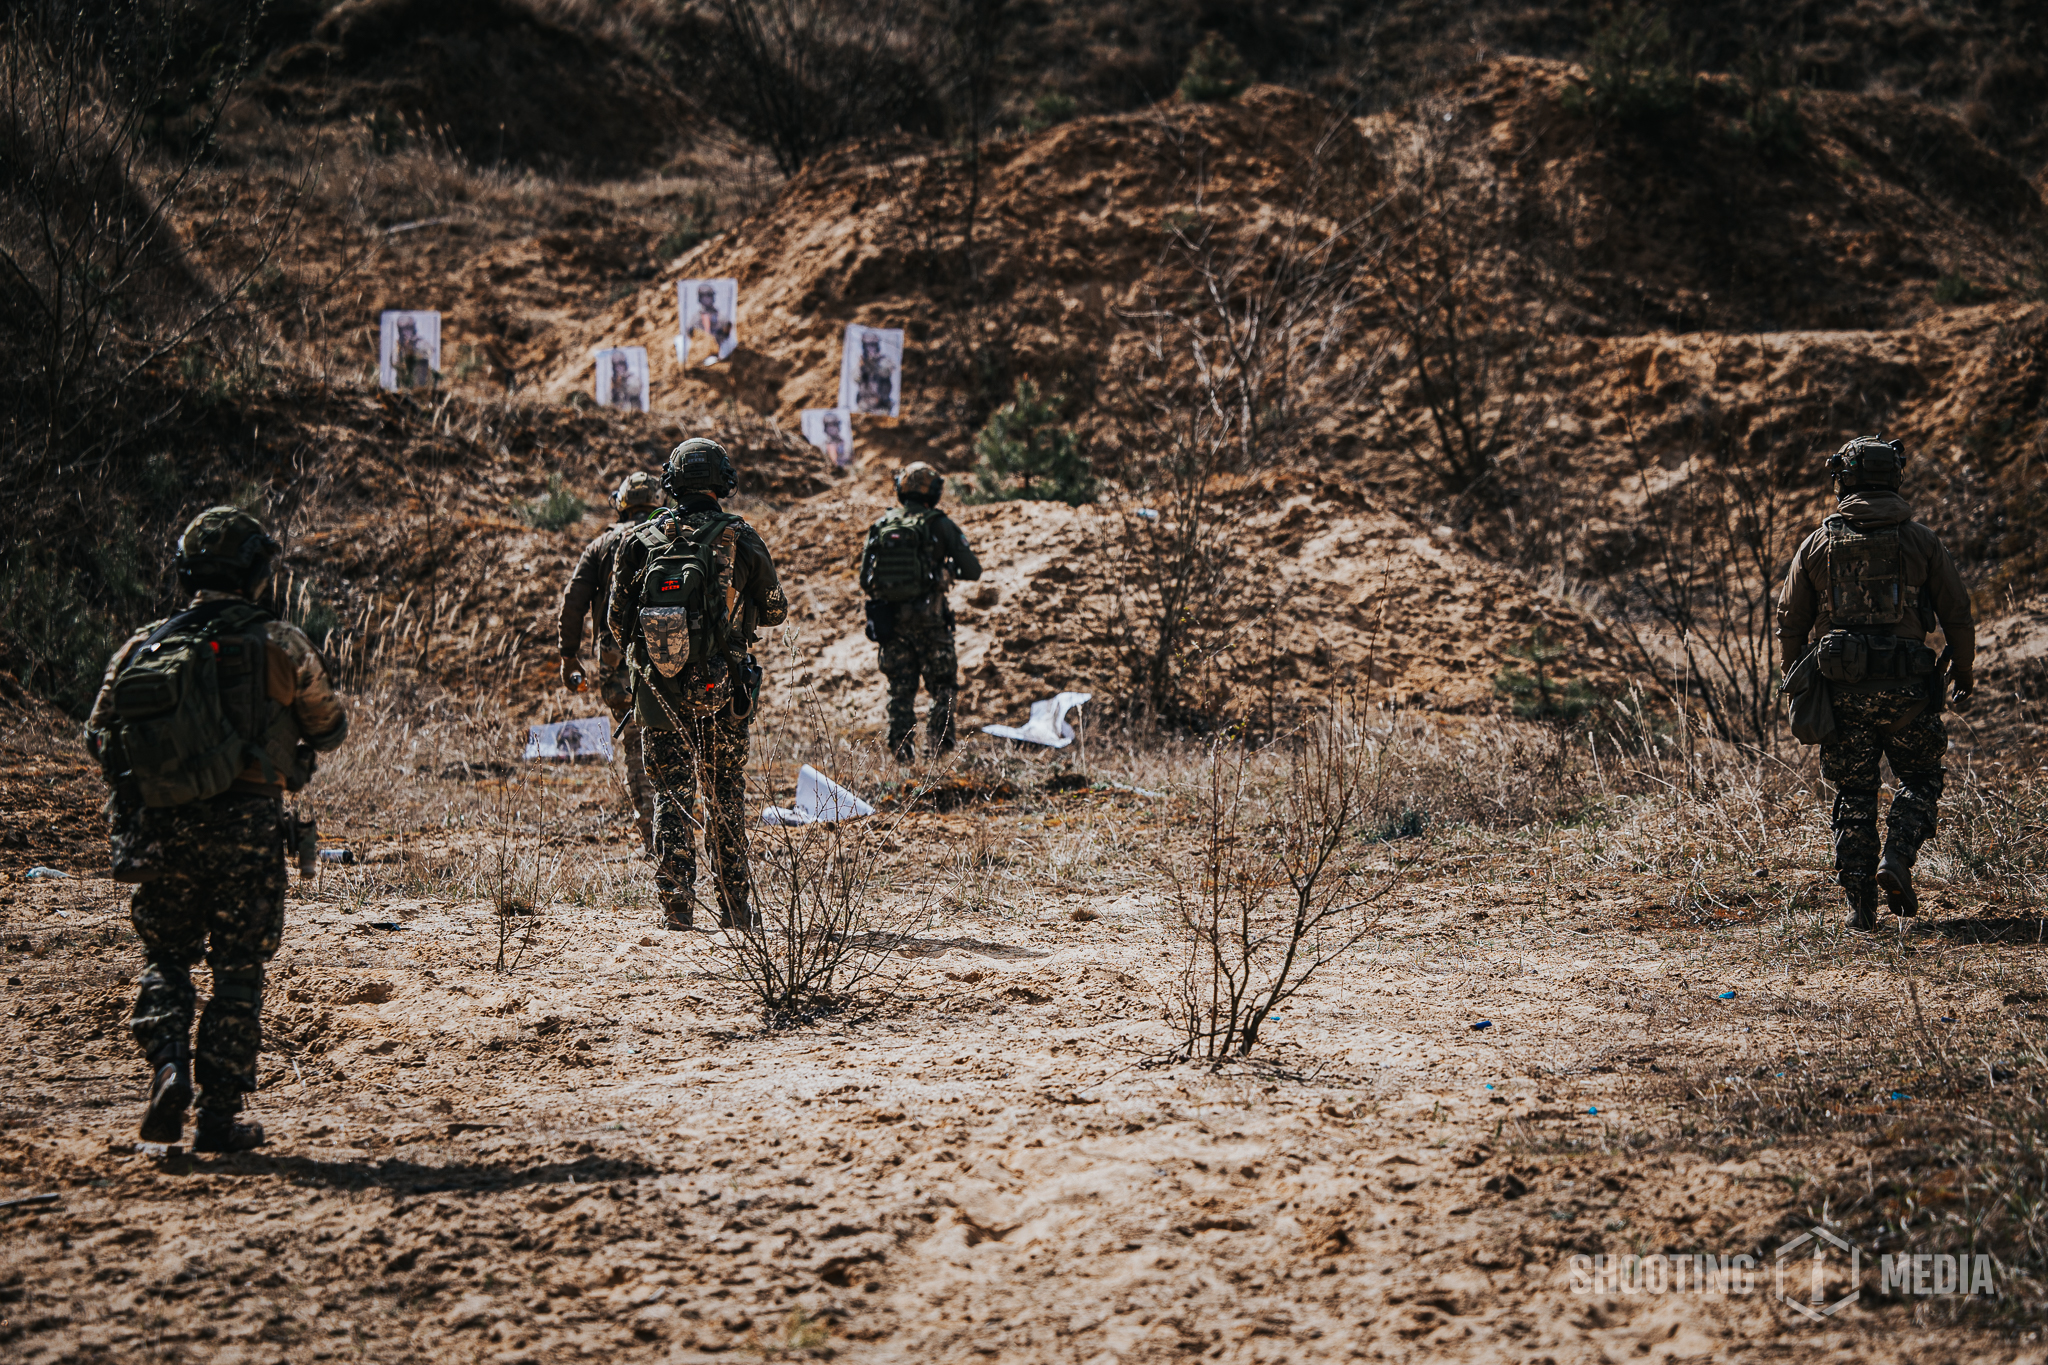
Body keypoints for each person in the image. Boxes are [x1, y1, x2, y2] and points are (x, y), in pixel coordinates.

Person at [84, 507, 350, 1152]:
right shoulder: (280, 642)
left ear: (186, 573)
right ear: (255, 572)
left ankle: (168, 1066)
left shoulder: (142, 646)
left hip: (161, 828)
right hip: (247, 825)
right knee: (238, 967)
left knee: (166, 955)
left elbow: (98, 735)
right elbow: (329, 729)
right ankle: (218, 1115)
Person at [1777, 436, 1975, 931]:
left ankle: (1860, 907)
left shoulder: (1817, 544)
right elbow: (1956, 611)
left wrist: (1794, 678)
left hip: (1841, 692)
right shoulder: (1922, 540)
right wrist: (1964, 669)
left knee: (1855, 792)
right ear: (1895, 478)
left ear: (1843, 481)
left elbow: (1790, 620)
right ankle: (1898, 858)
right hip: (1909, 692)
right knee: (1922, 778)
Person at [609, 438, 788, 930]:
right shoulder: (740, 536)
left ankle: (677, 907)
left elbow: (617, 622)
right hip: (723, 689)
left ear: (672, 482)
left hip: (658, 694)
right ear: (722, 482)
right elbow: (775, 611)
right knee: (724, 791)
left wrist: (661, 656)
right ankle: (735, 907)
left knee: (670, 794)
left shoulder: (639, 540)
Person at [560, 472, 665, 848]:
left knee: (636, 741)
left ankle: (654, 835)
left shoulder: (601, 546)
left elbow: (573, 602)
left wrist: (568, 656)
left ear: (621, 503)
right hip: (672, 658)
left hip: (618, 664)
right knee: (677, 740)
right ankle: (679, 827)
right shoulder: (673, 536)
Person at [860, 461, 982, 762]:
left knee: (900, 691)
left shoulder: (883, 524)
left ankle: (902, 757)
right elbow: (973, 570)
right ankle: (938, 755)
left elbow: (865, 579)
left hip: (891, 623)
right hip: (931, 622)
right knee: (942, 688)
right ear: (934, 492)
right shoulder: (940, 524)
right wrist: (945, 570)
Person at [854, 330, 894, 415]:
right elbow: (856, 379)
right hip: (864, 405)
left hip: (881, 406)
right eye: (867, 345)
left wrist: (874, 362)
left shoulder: (885, 360)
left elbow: (885, 372)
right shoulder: (861, 362)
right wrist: (861, 367)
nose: (870, 348)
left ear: (877, 346)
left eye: (872, 345)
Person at [393, 316, 432, 390]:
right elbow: (394, 363)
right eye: (401, 329)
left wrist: (413, 347)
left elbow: (429, 352)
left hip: (419, 384)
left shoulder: (421, 343)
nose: (404, 332)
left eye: (407, 329)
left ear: (412, 329)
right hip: (404, 385)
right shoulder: (399, 346)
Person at [695, 283, 732, 358]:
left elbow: (727, 331)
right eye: (703, 296)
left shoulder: (721, 317)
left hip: (719, 352)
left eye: (709, 295)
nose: (706, 299)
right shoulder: (695, 319)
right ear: (699, 298)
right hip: (701, 353)